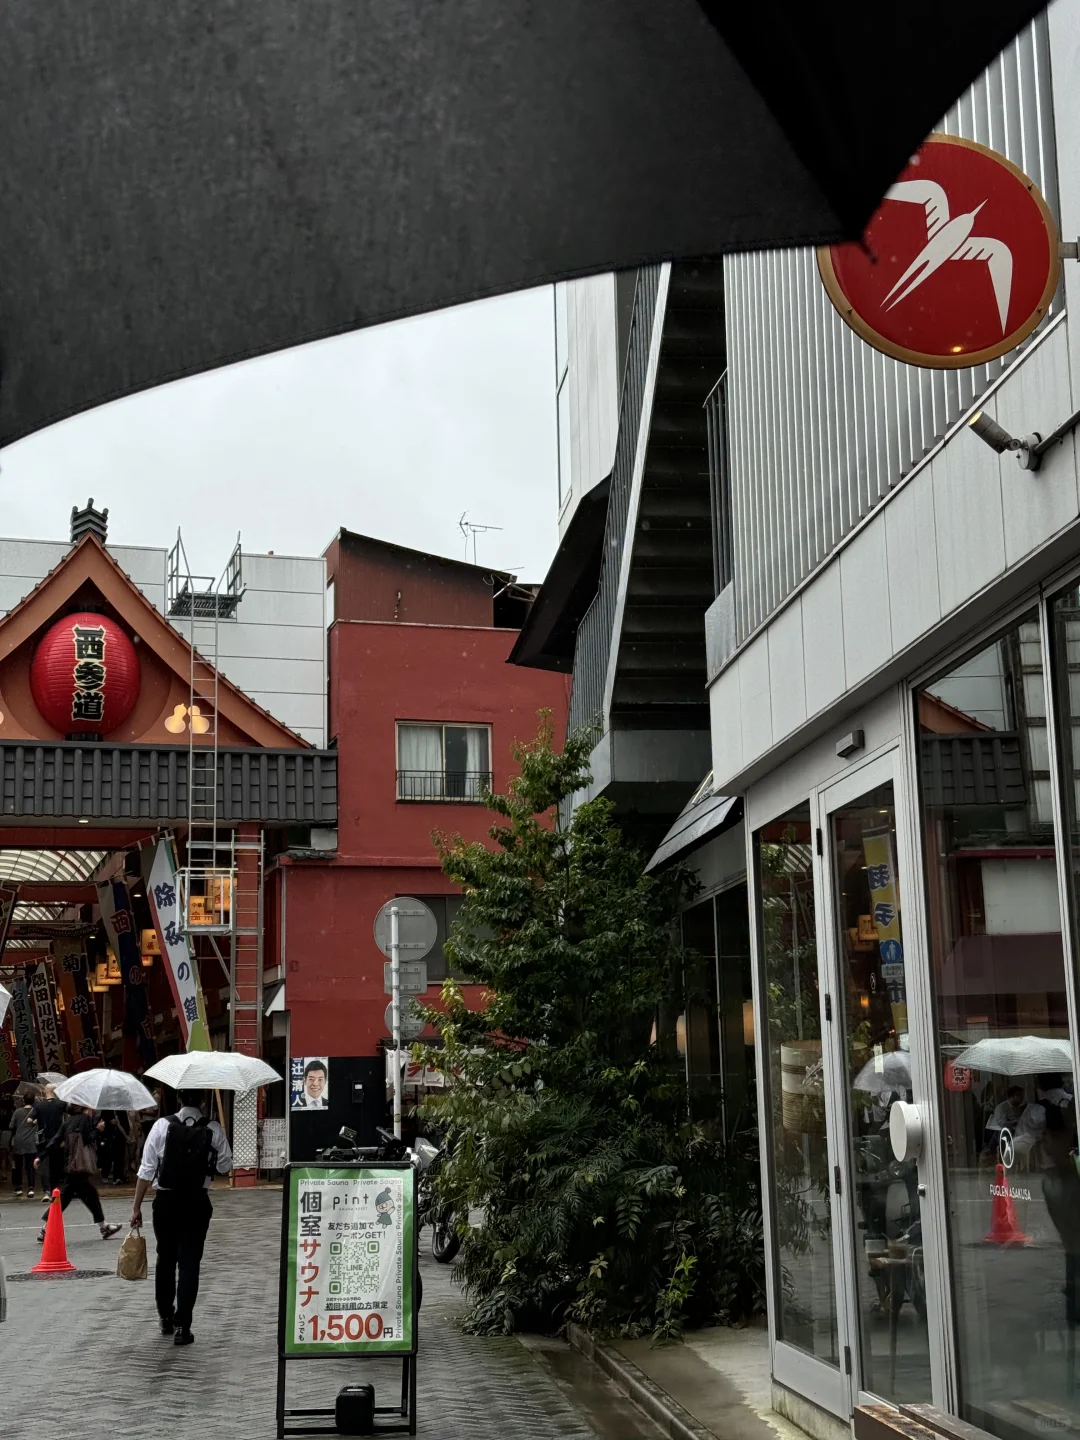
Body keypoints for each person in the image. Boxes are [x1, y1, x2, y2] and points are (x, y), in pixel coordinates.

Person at [131, 1088, 232, 1347]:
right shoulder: (213, 1128)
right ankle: (183, 1327)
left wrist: (136, 1207)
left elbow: (146, 1170)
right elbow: (224, 1166)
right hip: (197, 1201)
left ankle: (165, 1316)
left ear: (178, 1099)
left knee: (165, 1258)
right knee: (190, 1263)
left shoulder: (161, 1126)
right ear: (201, 1099)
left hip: (166, 1202)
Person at [37, 1105, 122, 1242]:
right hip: (79, 1166)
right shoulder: (85, 1119)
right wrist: (98, 1130)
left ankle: (103, 1226)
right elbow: (88, 1138)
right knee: (67, 1198)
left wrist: (41, 1156)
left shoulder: (68, 1121)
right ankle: (45, 1229)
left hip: (71, 1165)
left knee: (85, 1196)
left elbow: (56, 1140)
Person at [30, 1084, 67, 1196]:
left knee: (44, 1163)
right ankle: (57, 1188)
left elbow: (29, 1120)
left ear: (45, 1092)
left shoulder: (39, 1105)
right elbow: (69, 1113)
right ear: (55, 1092)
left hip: (43, 1138)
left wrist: (35, 1122)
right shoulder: (61, 1104)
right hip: (58, 1138)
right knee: (57, 1163)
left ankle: (47, 1190)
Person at [8, 1096, 39, 1198]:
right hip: (31, 1142)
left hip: (19, 1141)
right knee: (30, 1166)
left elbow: (11, 1126)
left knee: (18, 1165)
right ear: (33, 1101)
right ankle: (31, 1188)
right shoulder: (36, 1112)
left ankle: (18, 1188)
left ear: (23, 1100)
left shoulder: (17, 1112)